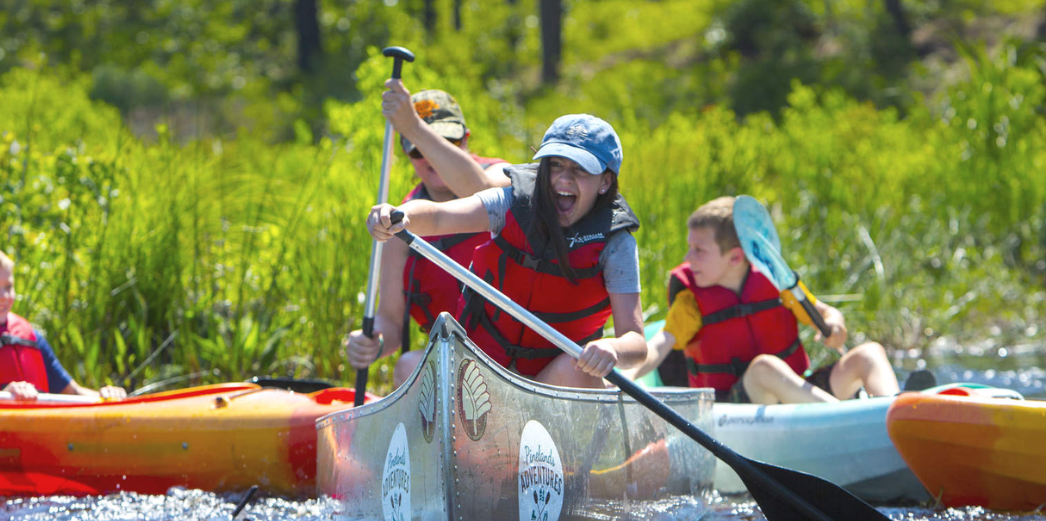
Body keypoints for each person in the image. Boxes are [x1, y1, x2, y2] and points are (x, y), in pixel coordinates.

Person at [366, 114, 648, 388]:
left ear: (605, 182)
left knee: (579, 371)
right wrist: (400, 215)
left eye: (580, 169)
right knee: (408, 367)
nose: (564, 179)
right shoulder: (511, 202)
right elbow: (439, 217)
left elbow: (635, 342)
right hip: (485, 370)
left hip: (552, 382)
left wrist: (612, 348)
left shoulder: (616, 244)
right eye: (556, 165)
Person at [627, 197, 899, 403]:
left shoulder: (775, 281)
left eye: (699, 250)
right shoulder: (690, 303)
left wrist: (835, 326)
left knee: (869, 353)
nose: (688, 258)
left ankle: (895, 415)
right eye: (690, 247)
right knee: (763, 368)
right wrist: (623, 377)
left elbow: (826, 313)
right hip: (737, 410)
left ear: (735, 257)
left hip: (797, 396)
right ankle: (849, 418)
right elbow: (655, 350)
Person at [345, 83, 510, 384]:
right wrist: (373, 343)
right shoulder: (399, 222)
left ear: (466, 139)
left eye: (446, 140)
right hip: (459, 360)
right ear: (406, 154)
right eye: (419, 149)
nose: (432, 157)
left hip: (520, 354)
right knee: (408, 364)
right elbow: (392, 323)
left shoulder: (503, 176)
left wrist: (415, 128)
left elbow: (486, 195)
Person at [0, 244, 127, 401]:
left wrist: (104, 397)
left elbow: (73, 392)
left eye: (9, 286)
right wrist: (4, 397)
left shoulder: (31, 338)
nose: (4, 296)